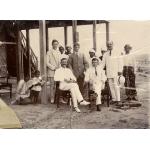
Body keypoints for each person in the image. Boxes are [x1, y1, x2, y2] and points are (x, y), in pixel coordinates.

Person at [46, 39, 61, 103]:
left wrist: (59, 68)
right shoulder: (49, 52)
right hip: (52, 71)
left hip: (58, 71)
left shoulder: (59, 52)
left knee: (57, 85)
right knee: (52, 86)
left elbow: (60, 62)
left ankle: (57, 98)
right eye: (54, 44)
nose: (55, 45)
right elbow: (47, 63)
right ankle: (52, 98)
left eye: (56, 44)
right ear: (52, 44)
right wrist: (54, 68)